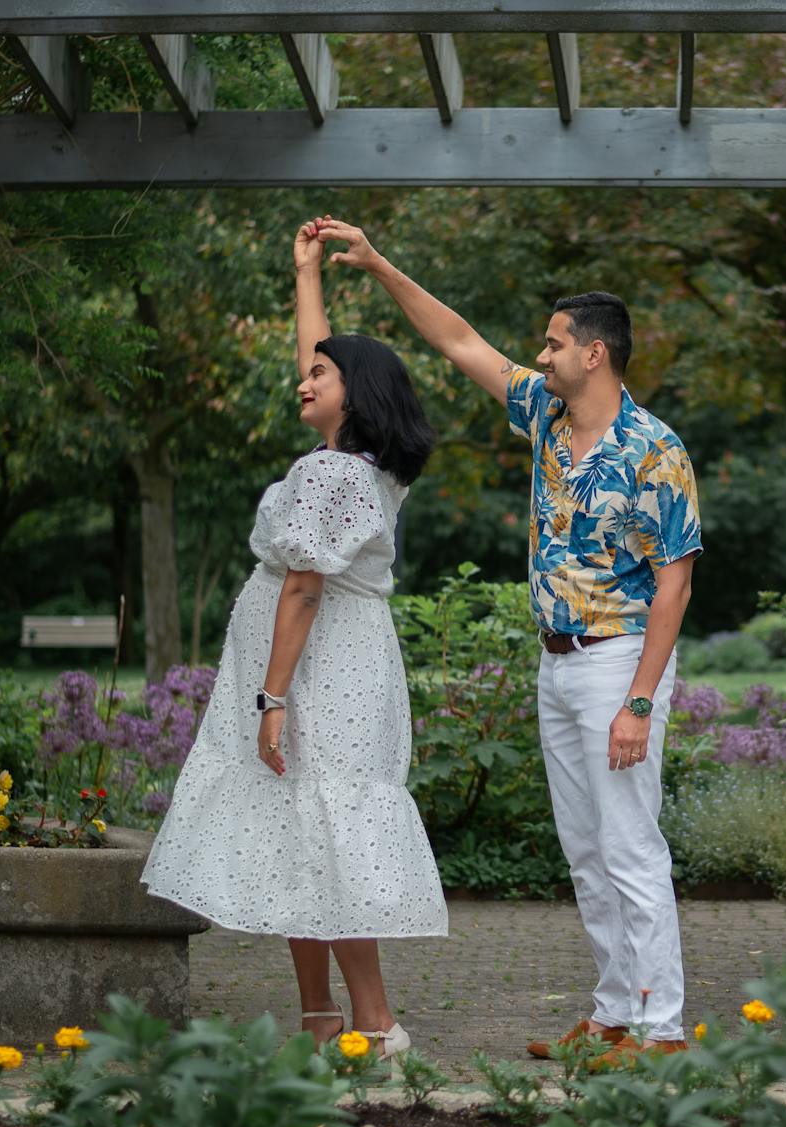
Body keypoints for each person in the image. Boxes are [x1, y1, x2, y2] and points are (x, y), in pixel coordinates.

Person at [313, 216, 701, 1062]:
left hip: (619, 664)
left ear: (594, 353)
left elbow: (676, 580)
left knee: (632, 846)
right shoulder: (547, 418)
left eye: (556, 342)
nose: (542, 352)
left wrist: (640, 698)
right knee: (587, 852)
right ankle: (610, 1013)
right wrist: (378, 264)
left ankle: (661, 1028)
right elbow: (457, 339)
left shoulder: (657, 451)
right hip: (556, 663)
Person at [140, 219, 446, 1059]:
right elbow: (328, 358)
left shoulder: (331, 472)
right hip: (344, 663)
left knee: (328, 836)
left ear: (359, 392)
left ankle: (374, 1024)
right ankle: (320, 1023)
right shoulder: (366, 467)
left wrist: (271, 698)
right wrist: (305, 274)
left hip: (317, 672)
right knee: (302, 836)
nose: (303, 380)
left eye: (319, 375)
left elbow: (304, 587)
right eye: (306, 371)